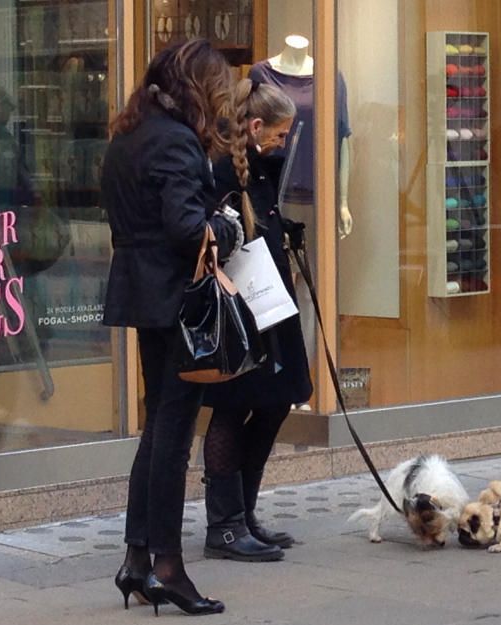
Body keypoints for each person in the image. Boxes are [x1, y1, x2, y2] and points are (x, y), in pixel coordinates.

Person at [102, 39, 241, 616]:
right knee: (172, 436)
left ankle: (138, 560)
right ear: (197, 87)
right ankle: (167, 566)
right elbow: (187, 229)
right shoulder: (177, 140)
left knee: (157, 428)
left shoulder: (130, 133)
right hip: (179, 302)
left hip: (143, 294)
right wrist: (229, 229)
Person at [200, 78, 312, 563]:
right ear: (256, 125)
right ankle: (225, 525)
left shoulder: (258, 168)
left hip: (268, 301)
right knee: (233, 407)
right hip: (240, 304)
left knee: (276, 400)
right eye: (279, 134)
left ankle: (242, 514)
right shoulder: (222, 170)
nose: (283, 144)